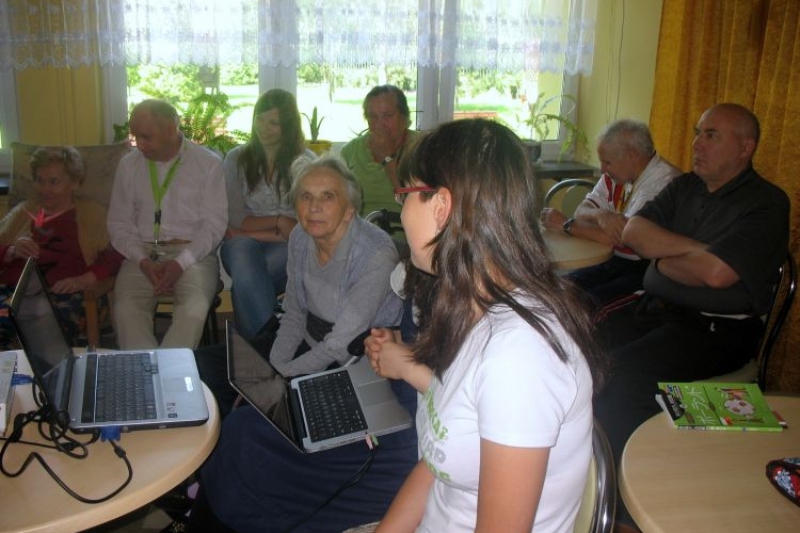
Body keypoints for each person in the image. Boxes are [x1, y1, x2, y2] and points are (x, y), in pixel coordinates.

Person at [366, 119, 603, 533]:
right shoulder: (471, 308)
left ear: (441, 207)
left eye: (404, 196)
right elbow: (439, 464)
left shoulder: (519, 357)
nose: (401, 212)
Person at [183, 155, 414, 533]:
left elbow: (340, 345)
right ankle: (204, 476)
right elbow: (292, 313)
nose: (314, 207)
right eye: (305, 197)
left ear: (349, 208)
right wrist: (275, 365)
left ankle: (219, 490)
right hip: (308, 343)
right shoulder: (300, 238)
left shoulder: (375, 254)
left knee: (249, 419)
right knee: (203, 368)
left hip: (354, 359)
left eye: (327, 196)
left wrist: (280, 379)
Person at [593, 103, 789, 482]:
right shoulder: (685, 186)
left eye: (711, 135)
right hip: (657, 307)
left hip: (715, 329)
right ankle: (584, 468)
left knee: (618, 378)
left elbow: (716, 275)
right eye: (698, 132)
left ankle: (624, 491)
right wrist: (701, 251)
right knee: (580, 343)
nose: (697, 143)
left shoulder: (767, 203)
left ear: (746, 147)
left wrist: (663, 258)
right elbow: (633, 232)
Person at [107, 99, 227, 350]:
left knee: (194, 308)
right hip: (140, 253)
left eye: (146, 137)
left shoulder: (208, 164)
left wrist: (179, 263)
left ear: (171, 131)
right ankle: (148, 376)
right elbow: (118, 224)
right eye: (135, 137)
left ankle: (168, 374)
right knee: (126, 310)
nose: (139, 145)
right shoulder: (128, 166)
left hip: (193, 255)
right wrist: (143, 260)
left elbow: (214, 226)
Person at [541, 119, 680, 306]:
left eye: (607, 162)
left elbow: (624, 241)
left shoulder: (664, 182)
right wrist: (602, 215)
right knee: (558, 288)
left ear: (632, 155)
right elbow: (581, 210)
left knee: (582, 304)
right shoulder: (617, 175)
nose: (603, 170)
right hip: (615, 261)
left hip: (648, 270)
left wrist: (567, 225)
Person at [0, 146, 123, 348]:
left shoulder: (92, 213)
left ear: (74, 183)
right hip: (13, 291)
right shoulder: (23, 211)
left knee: (40, 330)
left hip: (65, 294)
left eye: (54, 182)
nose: (44, 189)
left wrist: (85, 279)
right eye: (40, 181)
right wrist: (12, 250)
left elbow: (116, 254)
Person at [221, 89, 315, 340]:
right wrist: (278, 222)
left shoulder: (306, 162)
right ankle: (276, 348)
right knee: (242, 253)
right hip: (247, 244)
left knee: (245, 280)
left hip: (285, 246)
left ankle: (259, 353)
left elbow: (306, 226)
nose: (264, 128)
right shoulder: (236, 159)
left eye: (274, 122)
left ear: (288, 125)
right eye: (260, 119)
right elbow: (234, 217)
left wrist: (247, 232)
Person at [340, 84, 419, 216]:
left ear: (404, 117)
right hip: (361, 230)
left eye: (387, 116)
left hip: (404, 231)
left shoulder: (421, 147)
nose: (379, 124)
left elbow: (419, 206)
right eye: (373, 116)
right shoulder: (351, 151)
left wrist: (387, 157)